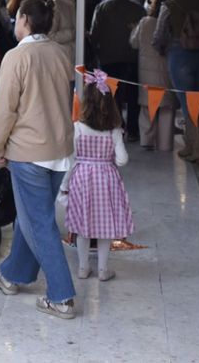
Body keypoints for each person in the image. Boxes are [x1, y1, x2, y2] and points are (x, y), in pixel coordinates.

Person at [0, 0, 76, 320]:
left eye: (17, 17)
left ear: (24, 18)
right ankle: (12, 274)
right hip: (59, 149)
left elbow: (5, 109)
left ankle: (61, 296)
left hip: (28, 151)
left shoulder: (16, 56)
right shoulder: (61, 53)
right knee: (31, 216)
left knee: (39, 222)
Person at [65, 70, 132, 282]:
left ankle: (83, 268)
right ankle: (103, 270)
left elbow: (70, 159)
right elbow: (122, 160)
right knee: (104, 226)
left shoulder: (77, 128)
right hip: (106, 180)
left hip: (81, 179)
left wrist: (64, 186)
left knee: (82, 225)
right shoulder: (114, 130)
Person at [157, 0, 199, 164]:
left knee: (187, 104)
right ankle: (191, 144)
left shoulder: (168, 6)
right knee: (196, 100)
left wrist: (161, 50)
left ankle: (198, 150)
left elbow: (159, 36)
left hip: (179, 56)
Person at [90, 0, 144, 141]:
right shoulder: (138, 8)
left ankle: (116, 127)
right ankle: (133, 130)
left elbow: (95, 33)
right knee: (133, 95)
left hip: (108, 57)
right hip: (132, 57)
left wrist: (95, 51)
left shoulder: (102, 8)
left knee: (112, 95)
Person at [131, 0, 172, 149]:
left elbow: (134, 43)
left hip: (146, 72)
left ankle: (146, 141)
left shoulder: (144, 22)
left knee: (147, 107)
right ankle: (165, 144)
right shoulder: (171, 23)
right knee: (166, 108)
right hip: (165, 69)